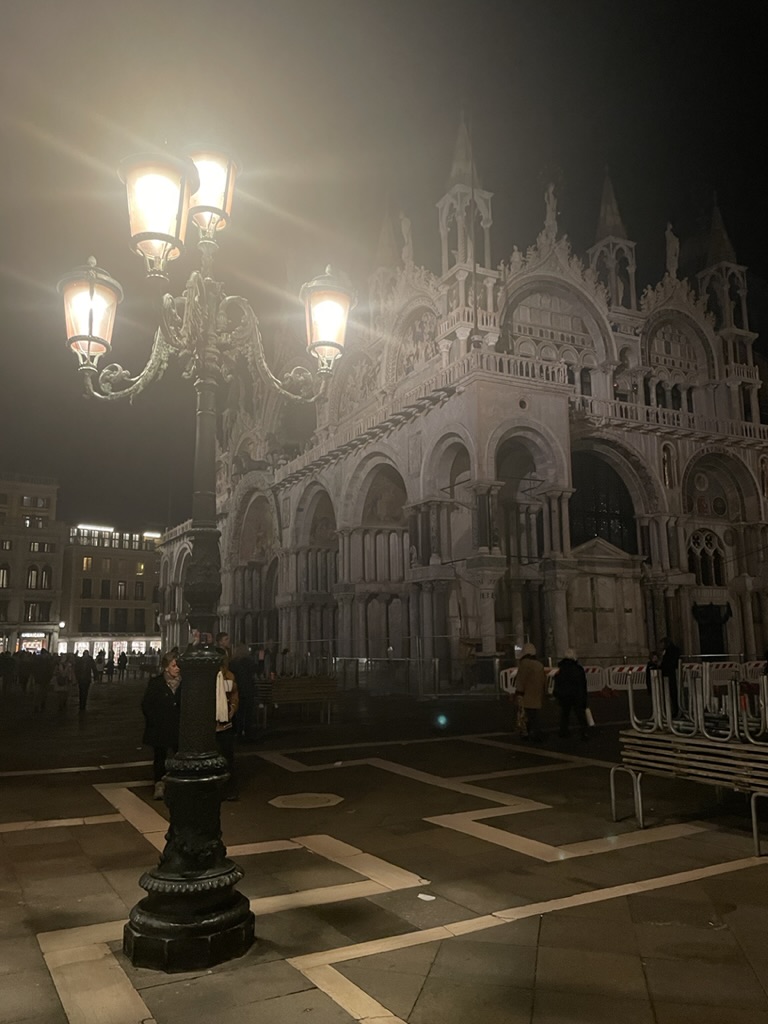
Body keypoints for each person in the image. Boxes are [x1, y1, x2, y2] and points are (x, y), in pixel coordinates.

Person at [141, 652, 182, 800]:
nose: (177, 668)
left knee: (180, 756)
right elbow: (147, 704)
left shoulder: (184, 683)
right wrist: (154, 720)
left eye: (178, 666)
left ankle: (179, 784)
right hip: (160, 726)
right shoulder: (156, 683)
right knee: (160, 756)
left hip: (178, 726)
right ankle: (159, 783)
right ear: (166, 667)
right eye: (174, 665)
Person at [215, 656, 239, 799]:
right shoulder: (207, 676)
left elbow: (234, 694)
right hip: (211, 724)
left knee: (227, 756)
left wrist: (233, 708)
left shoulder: (229, 676)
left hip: (225, 723)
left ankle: (228, 788)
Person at [514, 643, 547, 741]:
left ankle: (528, 733)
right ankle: (536, 733)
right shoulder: (539, 664)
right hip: (537, 693)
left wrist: (518, 692)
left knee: (525, 715)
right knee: (534, 715)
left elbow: (521, 679)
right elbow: (544, 680)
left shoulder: (524, 664)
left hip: (526, 694)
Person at [553, 648, 589, 739]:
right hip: (576, 695)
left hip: (564, 695)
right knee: (580, 715)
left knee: (565, 714)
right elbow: (582, 684)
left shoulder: (561, 669)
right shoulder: (578, 669)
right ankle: (585, 732)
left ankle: (563, 732)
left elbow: (558, 682)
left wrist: (557, 693)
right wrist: (584, 698)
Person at [229, 643, 256, 740]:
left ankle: (239, 732)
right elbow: (256, 671)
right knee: (248, 712)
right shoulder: (249, 661)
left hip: (238, 689)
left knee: (239, 712)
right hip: (248, 689)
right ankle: (248, 732)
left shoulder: (233, 663)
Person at [660, 636, 681, 717]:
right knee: (673, 693)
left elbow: (666, 663)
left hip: (670, 674)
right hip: (672, 673)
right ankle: (675, 709)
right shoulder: (675, 650)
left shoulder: (669, 651)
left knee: (673, 693)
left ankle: (675, 710)